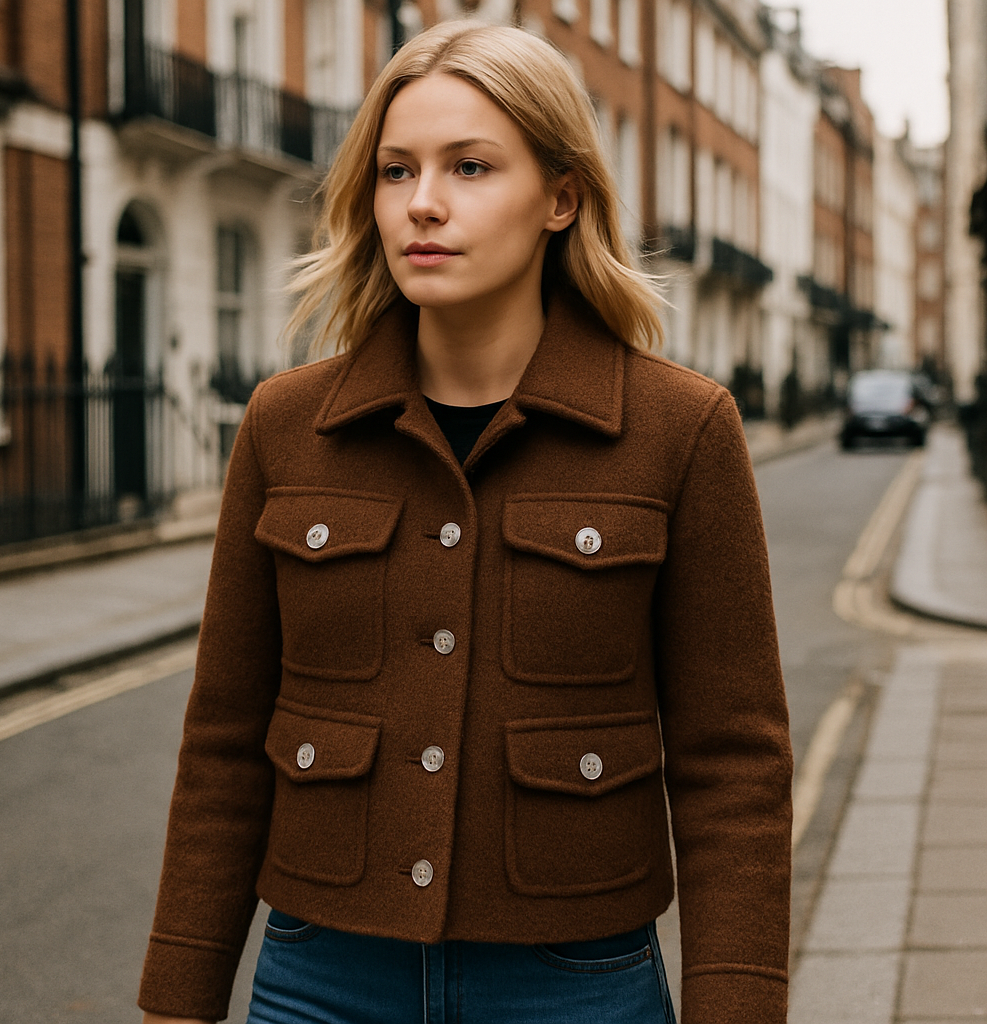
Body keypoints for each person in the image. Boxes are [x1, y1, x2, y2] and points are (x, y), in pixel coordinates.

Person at [139, 20, 792, 1024]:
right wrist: (178, 999)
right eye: (395, 171)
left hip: (573, 985)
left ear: (561, 198)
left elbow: (732, 764)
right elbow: (224, 740)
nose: (423, 203)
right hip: (321, 979)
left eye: (470, 166)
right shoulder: (286, 425)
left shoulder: (680, 429)